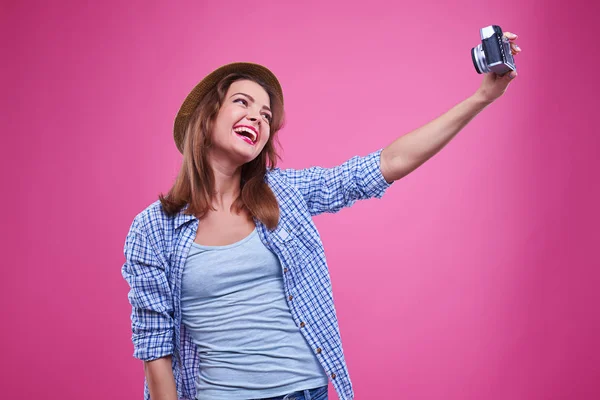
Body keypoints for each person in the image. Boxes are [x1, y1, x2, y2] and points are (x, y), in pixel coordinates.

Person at [122, 32, 522, 400]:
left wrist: (481, 98)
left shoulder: (286, 193)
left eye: (266, 115)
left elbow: (386, 163)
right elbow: (156, 352)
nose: (258, 118)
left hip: (304, 392)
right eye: (242, 103)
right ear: (208, 118)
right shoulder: (153, 229)